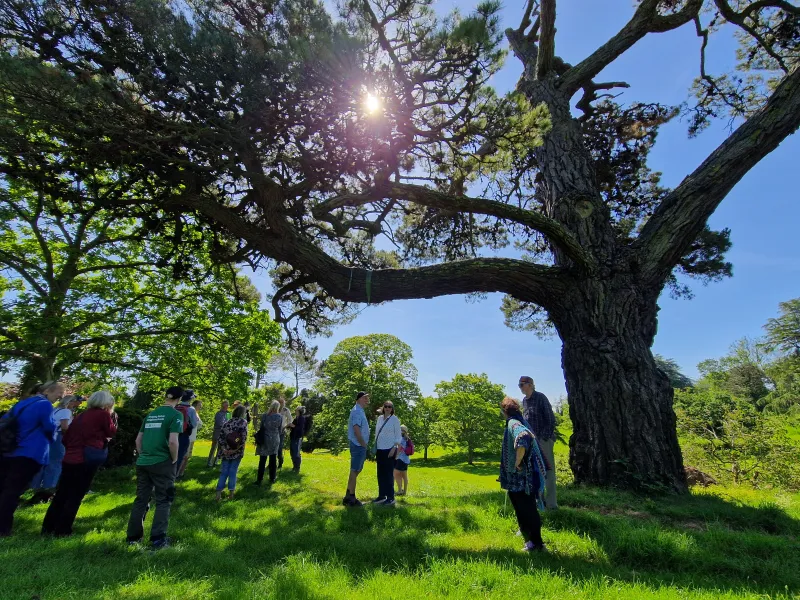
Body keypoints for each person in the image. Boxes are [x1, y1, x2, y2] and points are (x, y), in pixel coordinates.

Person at [41, 391, 117, 537]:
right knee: (76, 495)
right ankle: (63, 530)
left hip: (70, 458)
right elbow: (111, 431)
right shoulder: (103, 415)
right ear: (106, 403)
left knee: (62, 493)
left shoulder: (81, 415)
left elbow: (66, 437)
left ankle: (48, 527)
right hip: (86, 459)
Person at [0, 381, 63, 536]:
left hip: (9, 451)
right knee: (13, 492)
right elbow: (50, 428)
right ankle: (3, 529)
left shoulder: (22, 403)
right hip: (30, 452)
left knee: (3, 488)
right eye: (58, 395)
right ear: (48, 391)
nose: (58, 398)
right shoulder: (45, 405)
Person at [126, 386, 184, 549]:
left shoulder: (151, 414)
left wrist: (144, 455)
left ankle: (133, 537)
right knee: (164, 499)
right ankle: (158, 539)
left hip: (144, 461)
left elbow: (138, 440)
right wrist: (174, 459)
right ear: (179, 399)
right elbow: (173, 441)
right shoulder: (175, 415)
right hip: (163, 462)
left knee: (141, 499)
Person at [499, 396, 548, 552]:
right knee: (522, 507)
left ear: (504, 411)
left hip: (521, 477)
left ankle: (537, 544)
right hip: (522, 477)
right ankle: (527, 535)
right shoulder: (520, 420)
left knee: (526, 509)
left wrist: (518, 462)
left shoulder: (513, 423)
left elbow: (523, 437)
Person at [29, 394, 84, 504]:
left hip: (49, 437)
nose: (80, 404)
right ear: (71, 401)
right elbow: (64, 427)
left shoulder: (56, 410)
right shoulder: (66, 411)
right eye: (78, 401)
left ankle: (34, 486)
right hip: (59, 438)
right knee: (56, 464)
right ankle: (48, 489)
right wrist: (70, 437)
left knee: (45, 463)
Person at [519, 376, 558, 510]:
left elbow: (551, 419)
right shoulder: (524, 401)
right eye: (519, 385)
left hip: (544, 440)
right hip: (532, 443)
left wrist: (543, 438)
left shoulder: (540, 398)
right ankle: (540, 503)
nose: (520, 387)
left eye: (522, 384)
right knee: (536, 472)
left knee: (548, 471)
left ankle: (552, 505)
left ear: (530, 385)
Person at [343, 392, 370, 507]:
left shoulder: (359, 410)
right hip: (358, 445)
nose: (367, 400)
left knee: (355, 470)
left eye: (367, 398)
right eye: (365, 398)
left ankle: (348, 496)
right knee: (355, 470)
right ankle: (352, 498)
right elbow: (356, 429)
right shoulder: (357, 411)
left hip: (358, 444)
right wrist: (363, 443)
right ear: (358, 399)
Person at [215, 405, 248, 501]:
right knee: (233, 472)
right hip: (236, 451)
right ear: (242, 413)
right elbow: (243, 438)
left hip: (225, 451)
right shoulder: (243, 423)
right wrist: (235, 450)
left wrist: (224, 449)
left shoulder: (227, 422)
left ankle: (218, 494)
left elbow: (220, 438)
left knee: (224, 472)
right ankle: (231, 494)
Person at [373, 400, 402, 506]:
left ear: (392, 408)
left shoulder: (395, 420)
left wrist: (394, 448)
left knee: (389, 474)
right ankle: (381, 496)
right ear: (383, 407)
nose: (387, 408)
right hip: (380, 449)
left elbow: (398, 435)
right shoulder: (379, 419)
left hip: (390, 449)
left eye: (390, 407)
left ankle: (390, 497)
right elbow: (376, 433)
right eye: (386, 406)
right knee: (380, 474)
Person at [255, 401, 282, 485]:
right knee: (273, 459)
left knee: (262, 459)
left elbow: (261, 427)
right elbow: (280, 429)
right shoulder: (279, 417)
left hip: (265, 438)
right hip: (274, 438)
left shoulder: (265, 416)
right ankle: (272, 478)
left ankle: (259, 479)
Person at [175, 389, 199, 478]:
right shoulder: (191, 409)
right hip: (184, 435)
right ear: (191, 398)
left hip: (172, 434)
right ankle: (174, 477)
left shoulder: (176, 406)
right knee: (179, 457)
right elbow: (194, 424)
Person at [177, 399, 203, 477]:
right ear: (195, 405)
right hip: (189, 436)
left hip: (191, 437)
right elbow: (197, 424)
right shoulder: (192, 411)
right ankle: (178, 473)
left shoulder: (195, 412)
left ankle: (181, 472)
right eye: (200, 406)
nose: (200, 407)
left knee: (186, 456)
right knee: (184, 456)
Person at [207, 401, 229, 467]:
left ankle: (216, 461)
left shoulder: (228, 414)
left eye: (227, 405)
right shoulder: (218, 413)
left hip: (224, 433)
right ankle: (210, 462)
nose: (226, 407)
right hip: (217, 432)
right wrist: (225, 425)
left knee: (221, 448)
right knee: (214, 447)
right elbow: (219, 423)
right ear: (222, 406)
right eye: (225, 405)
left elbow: (229, 422)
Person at [393, 424, 413, 496]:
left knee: (395, 474)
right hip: (406, 460)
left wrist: (396, 456)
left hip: (400, 459)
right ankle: (404, 492)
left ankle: (399, 490)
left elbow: (399, 448)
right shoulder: (408, 439)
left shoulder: (400, 438)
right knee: (404, 476)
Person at [287, 406, 306, 473]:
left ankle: (297, 468)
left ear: (299, 411)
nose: (295, 411)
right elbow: (293, 427)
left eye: (296, 410)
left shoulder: (302, 418)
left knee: (296, 453)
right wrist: (289, 426)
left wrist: (293, 426)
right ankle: (294, 466)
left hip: (298, 437)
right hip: (293, 437)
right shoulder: (296, 418)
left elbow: (300, 428)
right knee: (292, 452)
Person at [277, 397, 293, 469]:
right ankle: (272, 463)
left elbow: (290, 420)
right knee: (273, 447)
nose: (281, 404)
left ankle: (280, 462)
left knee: (279, 447)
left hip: (282, 431)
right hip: (274, 431)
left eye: (282, 402)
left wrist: (286, 426)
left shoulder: (286, 410)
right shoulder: (275, 409)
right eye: (280, 402)